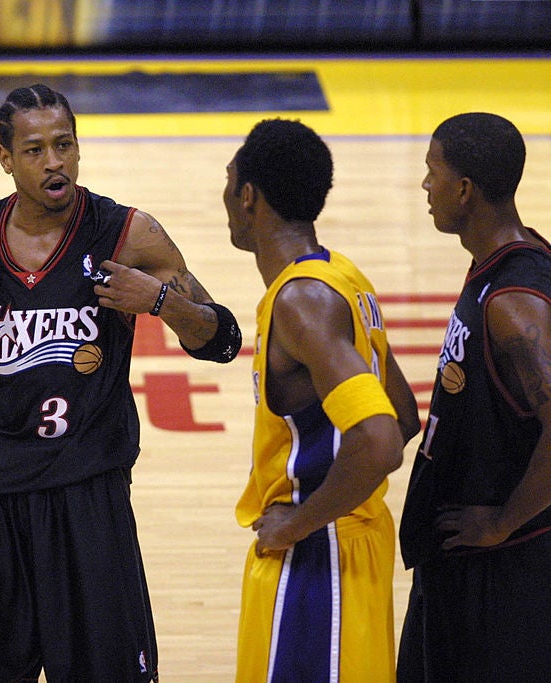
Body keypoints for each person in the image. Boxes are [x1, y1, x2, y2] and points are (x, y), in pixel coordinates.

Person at [0, 83, 242, 682]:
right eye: (34, 150)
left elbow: (224, 341)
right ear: (6, 159)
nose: (54, 161)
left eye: (65, 145)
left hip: (88, 490)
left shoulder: (127, 233)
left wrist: (159, 301)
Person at [222, 118, 420, 681]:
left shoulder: (301, 301)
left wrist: (302, 521)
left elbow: (382, 438)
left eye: (229, 179)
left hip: (319, 560)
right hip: (351, 542)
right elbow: (404, 413)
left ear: (249, 195)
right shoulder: (342, 276)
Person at [397, 113, 551, 682]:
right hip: (463, 558)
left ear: (464, 189)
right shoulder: (500, 263)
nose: (425, 186)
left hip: (500, 571)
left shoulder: (515, 302)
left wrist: (503, 523)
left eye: (432, 172)